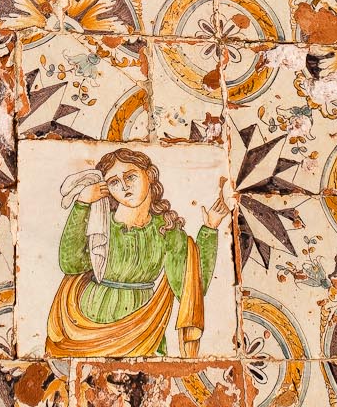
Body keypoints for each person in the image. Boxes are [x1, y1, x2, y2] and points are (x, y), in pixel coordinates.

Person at [48, 148, 229, 357]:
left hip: (144, 327)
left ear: (149, 175)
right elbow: (71, 264)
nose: (124, 186)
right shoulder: (100, 221)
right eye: (114, 182)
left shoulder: (167, 230)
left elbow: (190, 288)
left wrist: (210, 229)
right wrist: (82, 205)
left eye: (130, 177)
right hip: (87, 326)